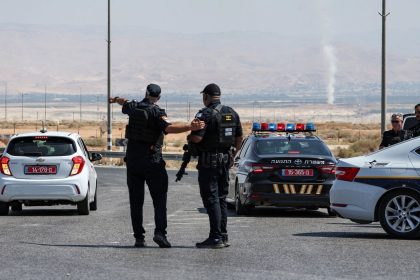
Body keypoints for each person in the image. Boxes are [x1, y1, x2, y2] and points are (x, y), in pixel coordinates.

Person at [109, 84, 204, 248]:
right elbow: (169, 128)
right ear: (158, 97)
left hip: (133, 162)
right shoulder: (157, 112)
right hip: (152, 161)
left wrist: (115, 99)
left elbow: (124, 102)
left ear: (145, 93)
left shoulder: (133, 107)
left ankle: (139, 237)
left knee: (136, 201)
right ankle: (160, 233)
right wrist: (190, 126)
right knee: (159, 200)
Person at [188, 83, 243, 249]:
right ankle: (223, 235)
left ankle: (216, 237)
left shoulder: (205, 114)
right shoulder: (231, 112)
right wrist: (232, 154)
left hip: (209, 163)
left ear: (206, 96)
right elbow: (239, 137)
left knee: (211, 199)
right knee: (221, 199)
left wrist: (190, 135)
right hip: (225, 161)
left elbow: (197, 138)